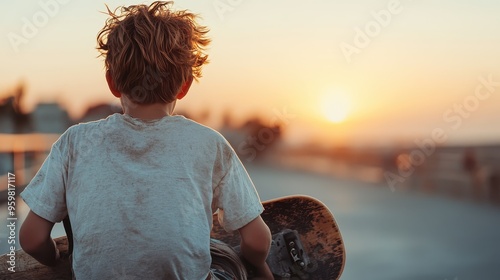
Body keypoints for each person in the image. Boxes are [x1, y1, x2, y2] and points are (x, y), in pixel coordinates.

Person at [19, 2, 273, 279]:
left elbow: (31, 239)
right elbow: (257, 241)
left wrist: (57, 261)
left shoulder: (75, 142)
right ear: (185, 85)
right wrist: (259, 268)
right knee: (224, 257)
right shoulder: (210, 144)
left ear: (112, 82)